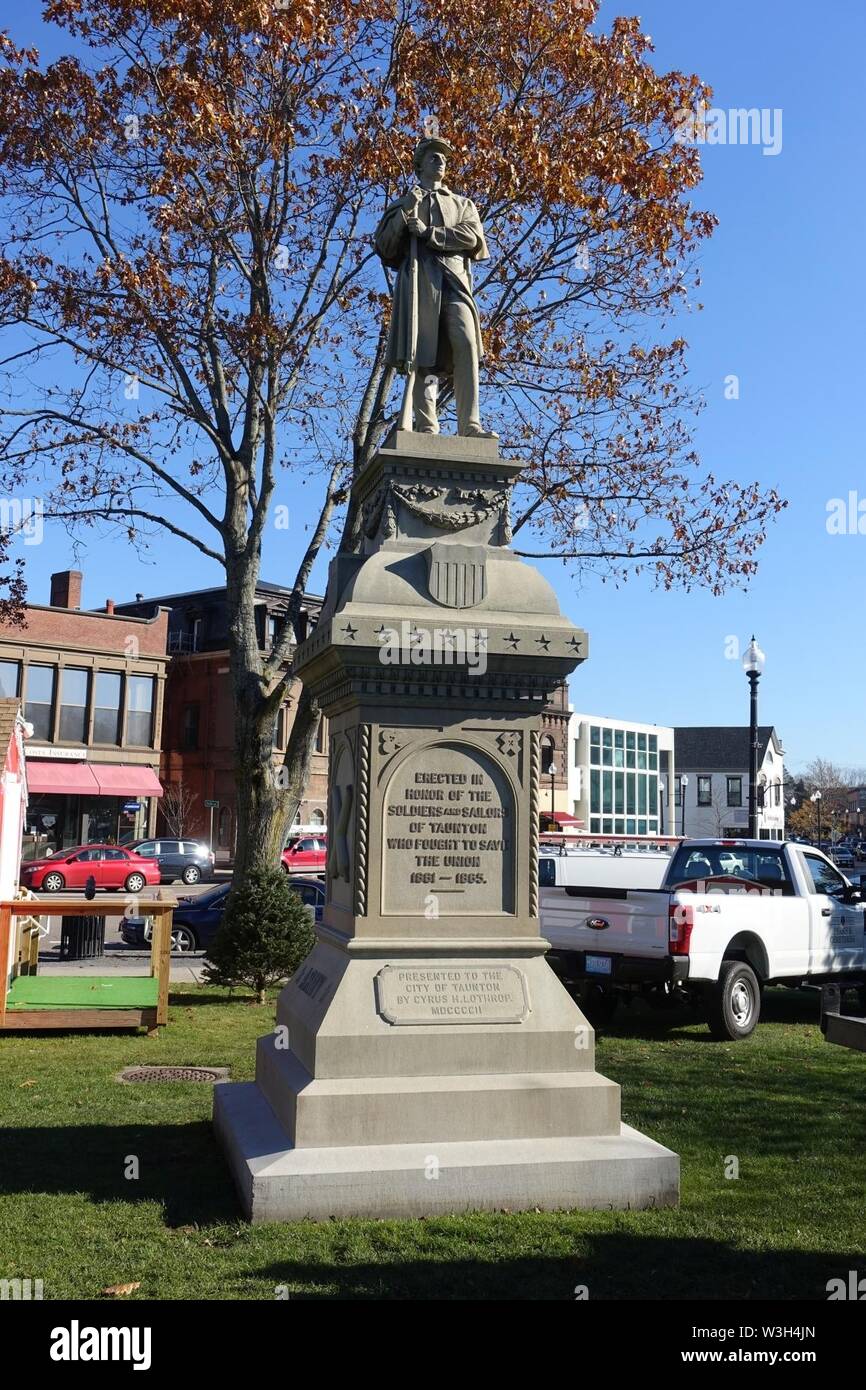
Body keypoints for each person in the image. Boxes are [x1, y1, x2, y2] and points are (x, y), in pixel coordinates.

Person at [375, 136, 496, 438]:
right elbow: (385, 245)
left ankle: (470, 425)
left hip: (455, 281)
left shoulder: (462, 204)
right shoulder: (404, 204)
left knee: (467, 345)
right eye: (433, 156)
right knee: (423, 354)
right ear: (419, 165)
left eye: (443, 157)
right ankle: (427, 426)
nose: (440, 161)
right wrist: (404, 218)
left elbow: (472, 238)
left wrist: (429, 233)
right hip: (420, 280)